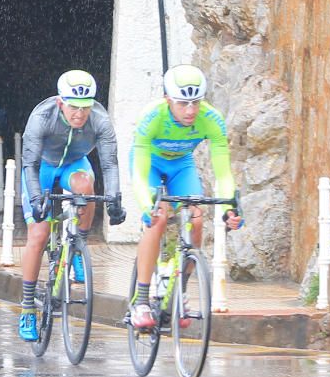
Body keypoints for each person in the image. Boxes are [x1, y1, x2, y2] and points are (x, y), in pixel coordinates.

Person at [126, 64, 243, 329]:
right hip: (150, 164)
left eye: (196, 103)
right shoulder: (153, 117)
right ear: (168, 100)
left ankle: (180, 291)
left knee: (197, 217)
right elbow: (140, 172)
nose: (190, 111)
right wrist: (147, 205)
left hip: (181, 165)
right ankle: (142, 300)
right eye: (182, 104)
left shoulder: (211, 119)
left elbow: (223, 173)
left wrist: (229, 209)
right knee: (158, 218)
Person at [16, 70, 126, 341]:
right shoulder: (42, 117)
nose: (80, 113)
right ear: (60, 103)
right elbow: (29, 164)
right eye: (74, 107)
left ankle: (78, 245)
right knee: (39, 234)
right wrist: (35, 199)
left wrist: (114, 199)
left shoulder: (100, 120)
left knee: (86, 187)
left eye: (85, 107)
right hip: (42, 167)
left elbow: (110, 164)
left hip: (74, 165)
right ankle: (28, 307)